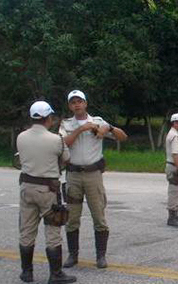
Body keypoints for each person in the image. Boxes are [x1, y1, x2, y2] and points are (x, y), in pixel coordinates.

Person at [60, 90, 127, 269]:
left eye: (79, 101)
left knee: (99, 215)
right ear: (69, 106)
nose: (77, 105)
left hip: (93, 175)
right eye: (73, 102)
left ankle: (101, 256)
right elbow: (62, 143)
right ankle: (73, 255)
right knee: (72, 217)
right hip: (73, 174)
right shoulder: (66, 124)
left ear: (86, 103)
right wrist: (81, 129)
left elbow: (122, 137)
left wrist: (109, 128)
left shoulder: (98, 121)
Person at [17, 101, 76, 284]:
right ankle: (55, 274)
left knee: (27, 230)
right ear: (48, 118)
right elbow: (66, 159)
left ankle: (27, 272)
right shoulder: (55, 140)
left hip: (26, 187)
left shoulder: (21, 137)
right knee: (53, 230)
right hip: (47, 189)